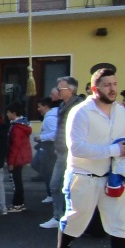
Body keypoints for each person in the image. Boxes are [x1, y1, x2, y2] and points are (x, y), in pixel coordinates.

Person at [51, 68, 125, 248]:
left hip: (114, 177)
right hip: (83, 176)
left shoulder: (121, 111)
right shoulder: (81, 112)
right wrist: (114, 150)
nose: (112, 89)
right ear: (95, 89)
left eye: (114, 84)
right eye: (107, 85)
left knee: (121, 224)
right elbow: (77, 148)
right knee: (76, 219)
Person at [44, 76, 85, 228]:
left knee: (65, 186)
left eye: (60, 88)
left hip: (73, 152)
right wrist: (58, 145)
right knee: (58, 185)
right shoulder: (63, 105)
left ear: (71, 90)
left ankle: (66, 217)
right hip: (62, 152)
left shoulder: (79, 106)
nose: (58, 91)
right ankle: (60, 216)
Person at [5, 102, 32, 212]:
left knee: (16, 182)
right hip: (21, 156)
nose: (7, 114)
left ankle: (17, 204)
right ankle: (19, 203)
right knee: (18, 181)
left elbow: (15, 146)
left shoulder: (17, 128)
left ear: (14, 113)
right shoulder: (22, 125)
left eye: (8, 112)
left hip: (17, 158)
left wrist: (11, 162)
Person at [33, 98, 58, 210]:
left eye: (40, 106)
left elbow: (55, 134)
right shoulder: (49, 117)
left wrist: (41, 137)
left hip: (49, 148)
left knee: (47, 172)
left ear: (46, 107)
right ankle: (51, 193)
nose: (38, 109)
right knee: (38, 165)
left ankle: (52, 194)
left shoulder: (50, 118)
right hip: (45, 147)